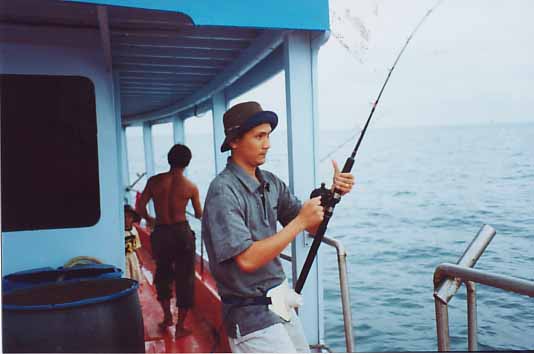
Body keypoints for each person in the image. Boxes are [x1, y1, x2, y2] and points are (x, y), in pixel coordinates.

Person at [202, 101, 355, 353]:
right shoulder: (223, 191)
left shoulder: (271, 182)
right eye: (259, 136)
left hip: (280, 304)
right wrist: (300, 221)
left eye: (268, 136)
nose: (267, 144)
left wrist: (332, 196)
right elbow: (247, 260)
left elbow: (313, 229)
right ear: (234, 141)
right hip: (249, 316)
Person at [136, 144, 203, 339]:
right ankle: (180, 326)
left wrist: (150, 220)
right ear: (188, 162)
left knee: (163, 274)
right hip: (182, 233)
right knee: (185, 279)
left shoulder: (155, 182)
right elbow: (199, 213)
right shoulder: (190, 187)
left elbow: (140, 206)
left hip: (162, 232)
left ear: (168, 159)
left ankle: (167, 318)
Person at [124, 204, 142, 282]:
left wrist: (140, 258)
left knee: (134, 274)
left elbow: (136, 245)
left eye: (129, 217)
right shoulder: (119, 231)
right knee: (127, 276)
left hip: (132, 256)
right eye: (124, 217)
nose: (127, 219)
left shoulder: (134, 230)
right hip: (124, 258)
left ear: (133, 219)